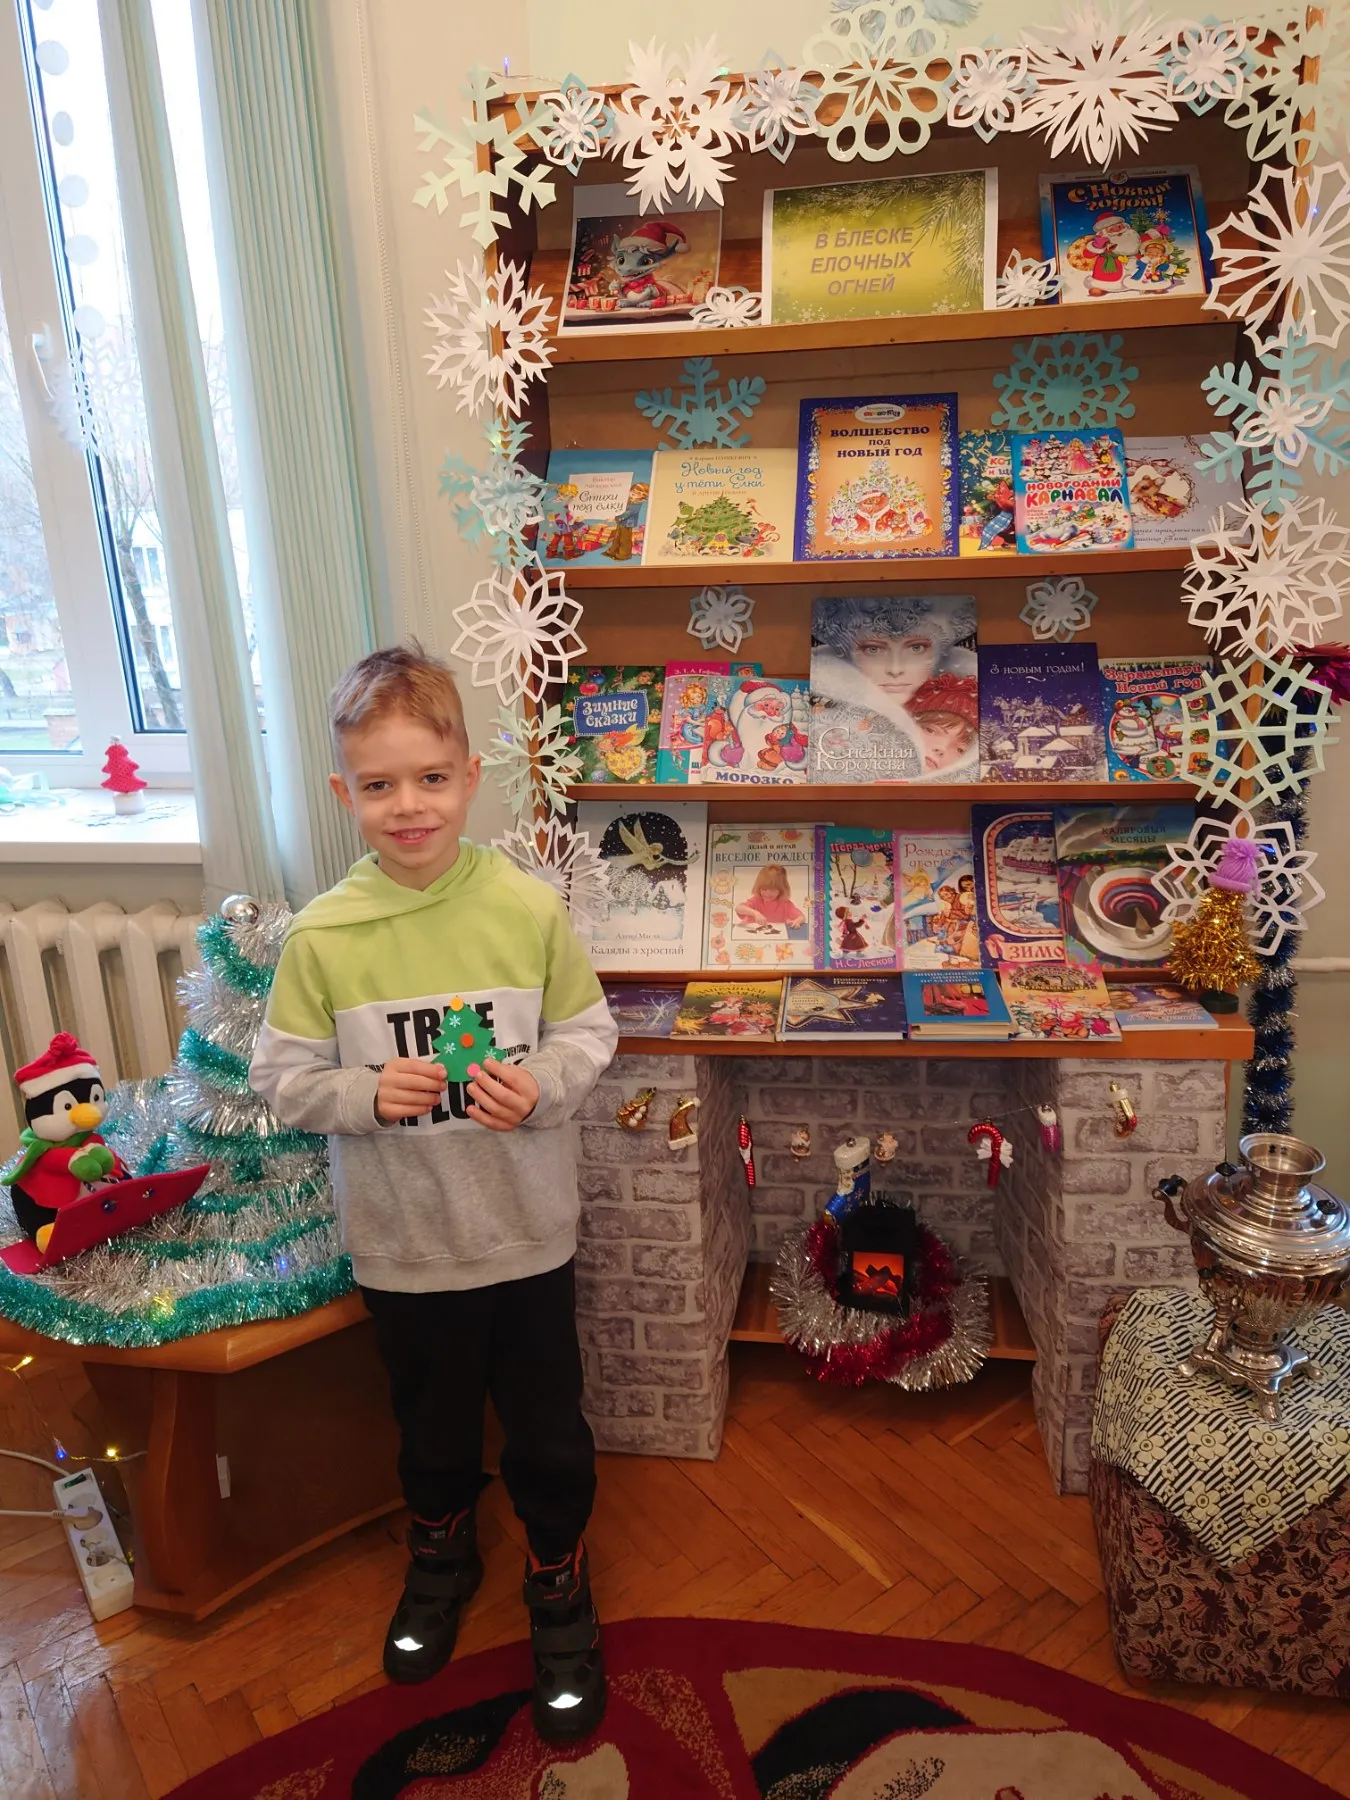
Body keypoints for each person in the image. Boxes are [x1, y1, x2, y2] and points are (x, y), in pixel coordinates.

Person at [249, 645, 616, 1742]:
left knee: (548, 1431)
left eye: (430, 778)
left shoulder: (526, 908)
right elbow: (281, 1079)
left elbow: (588, 1033)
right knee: (432, 1426)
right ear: (344, 792)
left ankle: (558, 1577)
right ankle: (443, 1553)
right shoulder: (323, 936)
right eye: (379, 784)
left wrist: (541, 1084)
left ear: (470, 777)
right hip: (405, 1243)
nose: (407, 806)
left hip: (526, 1233)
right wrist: (362, 1093)